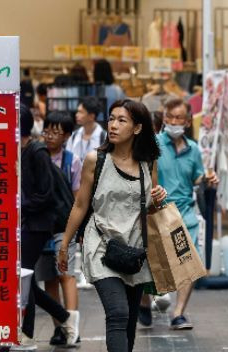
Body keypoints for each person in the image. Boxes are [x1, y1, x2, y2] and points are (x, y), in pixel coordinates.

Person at [58, 99, 167, 352]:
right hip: (100, 246)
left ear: (137, 128)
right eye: (111, 119)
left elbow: (148, 209)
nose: (113, 125)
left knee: (128, 321)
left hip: (134, 249)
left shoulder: (148, 162)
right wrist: (65, 245)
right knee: (117, 313)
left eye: (122, 120)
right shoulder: (94, 160)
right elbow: (80, 205)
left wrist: (157, 199)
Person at [137, 98, 218, 330]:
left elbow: (197, 178)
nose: (173, 122)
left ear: (187, 120)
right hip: (158, 212)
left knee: (190, 262)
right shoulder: (153, 144)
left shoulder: (193, 149)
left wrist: (208, 180)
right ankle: (144, 298)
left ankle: (178, 313)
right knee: (153, 263)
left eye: (178, 118)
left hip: (184, 213)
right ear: (163, 119)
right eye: (169, 118)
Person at [17, 105, 79, 349]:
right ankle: (64, 318)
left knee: (23, 277)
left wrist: (21, 205)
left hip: (39, 224)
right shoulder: (22, 150)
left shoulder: (37, 151)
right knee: (26, 280)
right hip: (29, 223)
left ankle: (28, 333)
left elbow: (46, 194)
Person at [33, 111, 82, 346]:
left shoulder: (72, 161)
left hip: (64, 228)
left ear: (67, 136)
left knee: (66, 275)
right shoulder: (36, 156)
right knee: (49, 279)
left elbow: (78, 199)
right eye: (47, 130)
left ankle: (72, 327)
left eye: (56, 132)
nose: (50, 136)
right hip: (40, 229)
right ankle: (58, 328)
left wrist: (77, 230)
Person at [66, 96, 107, 165]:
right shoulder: (74, 136)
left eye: (80, 112)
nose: (76, 115)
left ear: (91, 116)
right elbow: (67, 161)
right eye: (77, 111)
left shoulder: (104, 138)